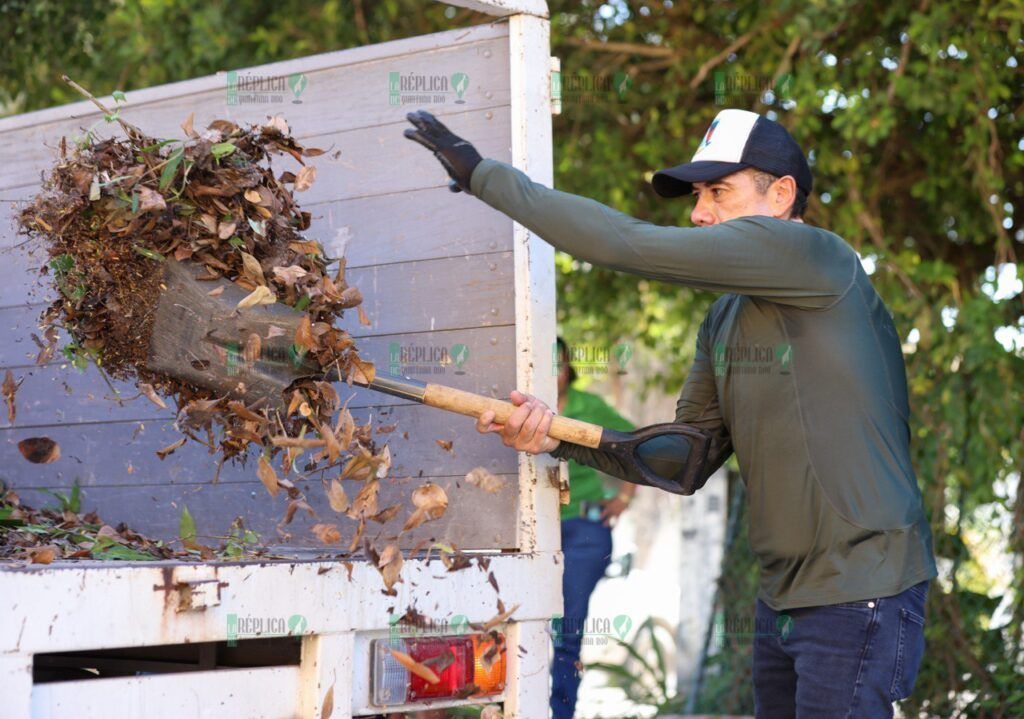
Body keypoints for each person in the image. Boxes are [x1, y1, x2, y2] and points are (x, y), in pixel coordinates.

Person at [404, 107, 938, 718]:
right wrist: (554, 436)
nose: (699, 212)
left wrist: (482, 174)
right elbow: (683, 459)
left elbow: (629, 245)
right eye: (697, 194)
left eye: (719, 191)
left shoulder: (818, 258)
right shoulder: (724, 320)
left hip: (861, 588)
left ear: (783, 194)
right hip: (782, 598)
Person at [550, 336, 635, 719]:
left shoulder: (589, 406)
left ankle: (560, 713)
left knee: (566, 631)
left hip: (583, 532)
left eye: (559, 364)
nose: (554, 372)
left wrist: (625, 498)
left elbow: (635, 444)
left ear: (569, 369)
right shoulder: (515, 408)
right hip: (533, 534)